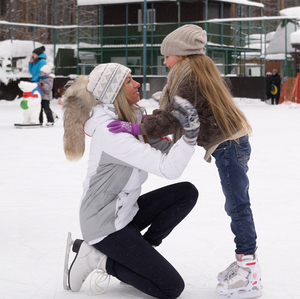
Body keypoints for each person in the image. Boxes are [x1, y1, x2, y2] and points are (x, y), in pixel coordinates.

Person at [107, 25, 262, 299]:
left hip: (229, 145)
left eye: (167, 55)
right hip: (230, 144)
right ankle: (244, 261)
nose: (165, 61)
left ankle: (248, 268)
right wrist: (142, 122)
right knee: (236, 204)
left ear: (180, 54)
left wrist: (136, 128)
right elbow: (172, 113)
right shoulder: (193, 71)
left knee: (237, 206)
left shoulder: (189, 77)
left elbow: (174, 117)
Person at [62, 63, 201, 299]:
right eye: (128, 81)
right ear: (114, 91)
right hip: (104, 224)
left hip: (125, 212)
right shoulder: (111, 132)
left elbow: (165, 150)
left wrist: (178, 127)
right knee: (170, 287)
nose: (137, 83)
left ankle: (139, 254)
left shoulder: (132, 118)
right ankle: (99, 259)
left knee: (186, 193)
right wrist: (189, 137)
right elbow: (168, 168)